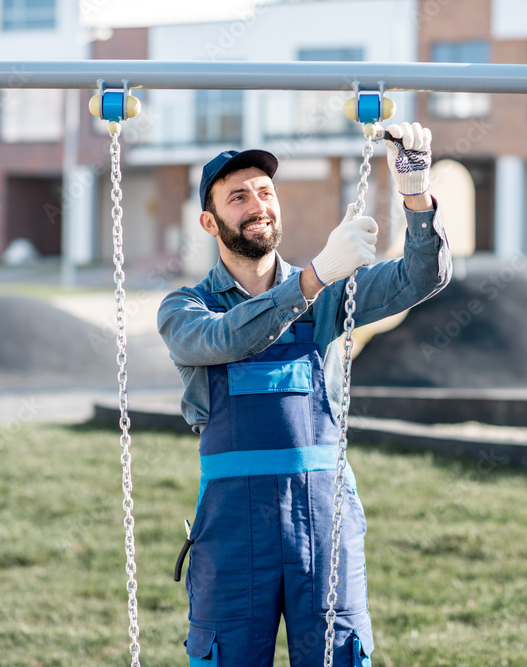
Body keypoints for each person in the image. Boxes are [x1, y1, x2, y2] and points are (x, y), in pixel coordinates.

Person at [157, 121, 451, 666]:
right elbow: (229, 337)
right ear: (209, 220)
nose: (257, 205)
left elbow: (422, 277)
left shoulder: (330, 296)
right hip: (232, 533)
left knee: (339, 656)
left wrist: (414, 191)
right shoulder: (185, 309)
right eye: (238, 196)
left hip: (327, 518)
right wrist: (316, 276)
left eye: (265, 192)